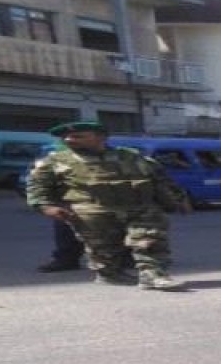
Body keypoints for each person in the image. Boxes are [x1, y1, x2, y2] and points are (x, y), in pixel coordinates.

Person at [26, 120, 191, 290]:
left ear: (101, 138)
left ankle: (153, 275)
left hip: (140, 209)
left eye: (77, 136)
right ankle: (110, 274)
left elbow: (160, 179)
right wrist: (45, 206)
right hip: (93, 213)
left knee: (149, 240)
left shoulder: (131, 156)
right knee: (104, 251)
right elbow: (37, 186)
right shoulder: (54, 161)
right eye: (65, 137)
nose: (69, 140)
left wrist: (178, 199)